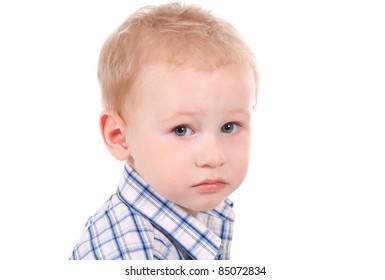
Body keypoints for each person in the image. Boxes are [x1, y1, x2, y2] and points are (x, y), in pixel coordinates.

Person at [70, 2, 258, 260]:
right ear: (119, 136)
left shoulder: (200, 208)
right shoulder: (132, 251)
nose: (214, 157)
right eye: (181, 130)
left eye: (229, 127)